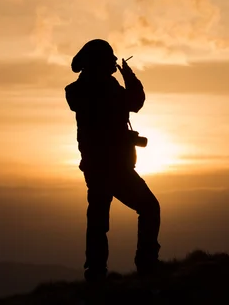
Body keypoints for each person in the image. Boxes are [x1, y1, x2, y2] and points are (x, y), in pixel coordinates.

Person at [65, 39, 161, 282]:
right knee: (149, 208)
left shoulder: (80, 90)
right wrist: (128, 74)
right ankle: (147, 264)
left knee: (98, 219)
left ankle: (95, 273)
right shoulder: (106, 88)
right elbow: (136, 102)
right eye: (109, 59)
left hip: (94, 167)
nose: (113, 63)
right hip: (116, 168)